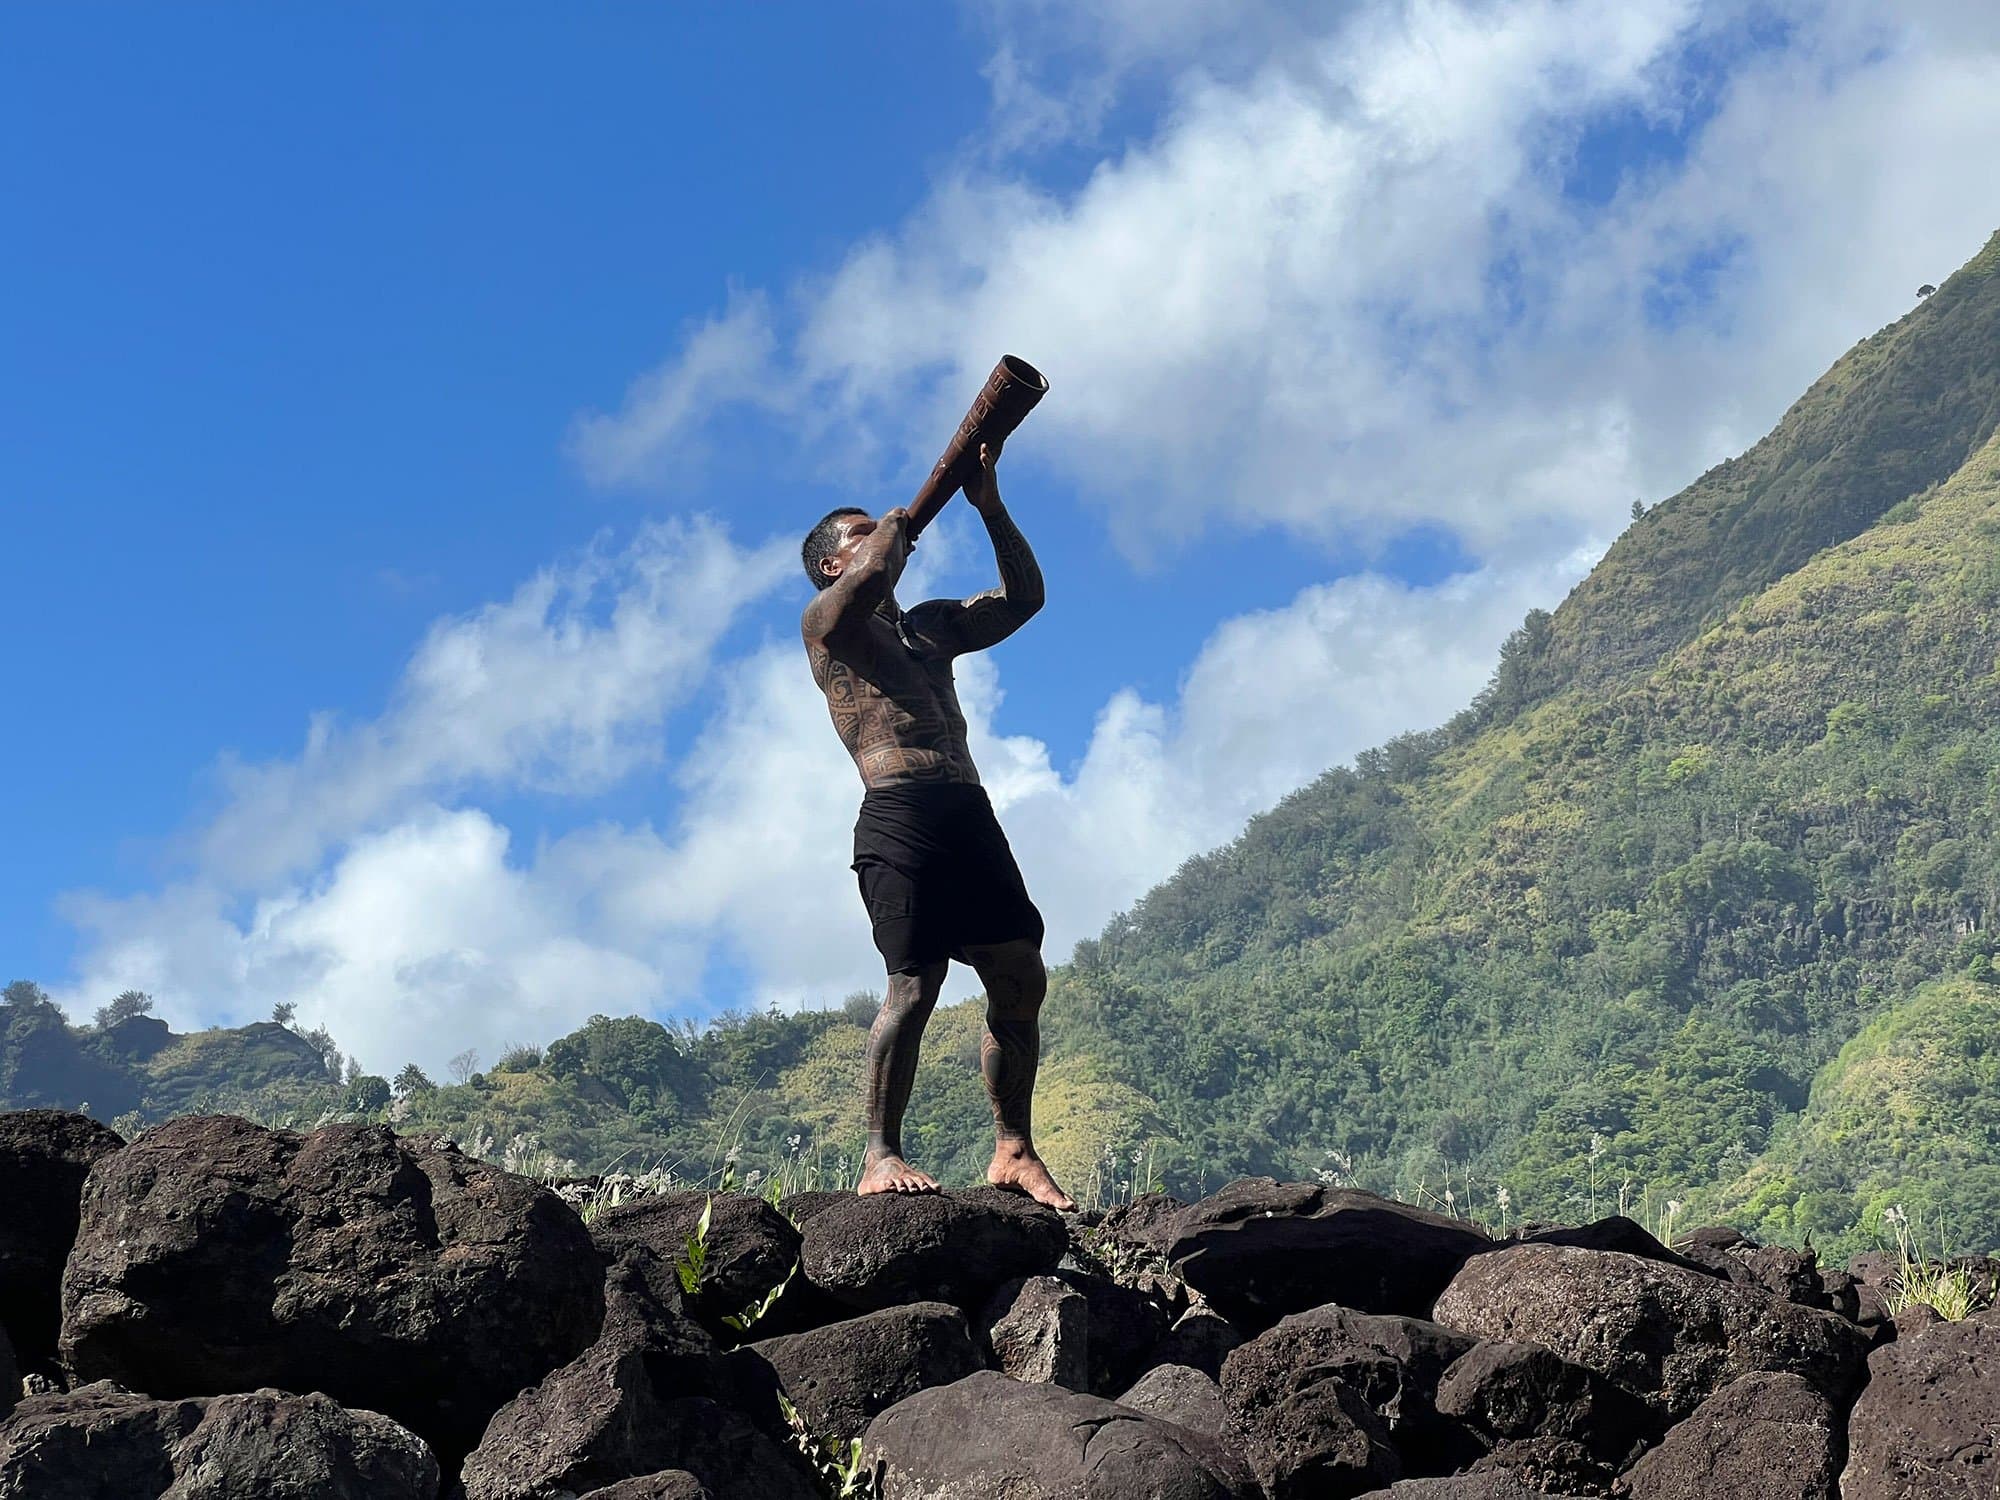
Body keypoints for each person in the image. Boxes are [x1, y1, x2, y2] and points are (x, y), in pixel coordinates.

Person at [800, 440, 1072, 1209]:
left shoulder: (928, 628)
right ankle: (880, 1154)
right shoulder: (829, 625)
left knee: (1019, 971)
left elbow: (1024, 600)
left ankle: (1013, 1149)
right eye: (856, 534)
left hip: (966, 813)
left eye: (872, 529)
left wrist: (989, 505)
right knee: (914, 985)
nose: (878, 537)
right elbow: (873, 574)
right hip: (899, 814)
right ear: (831, 563)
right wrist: (894, 522)